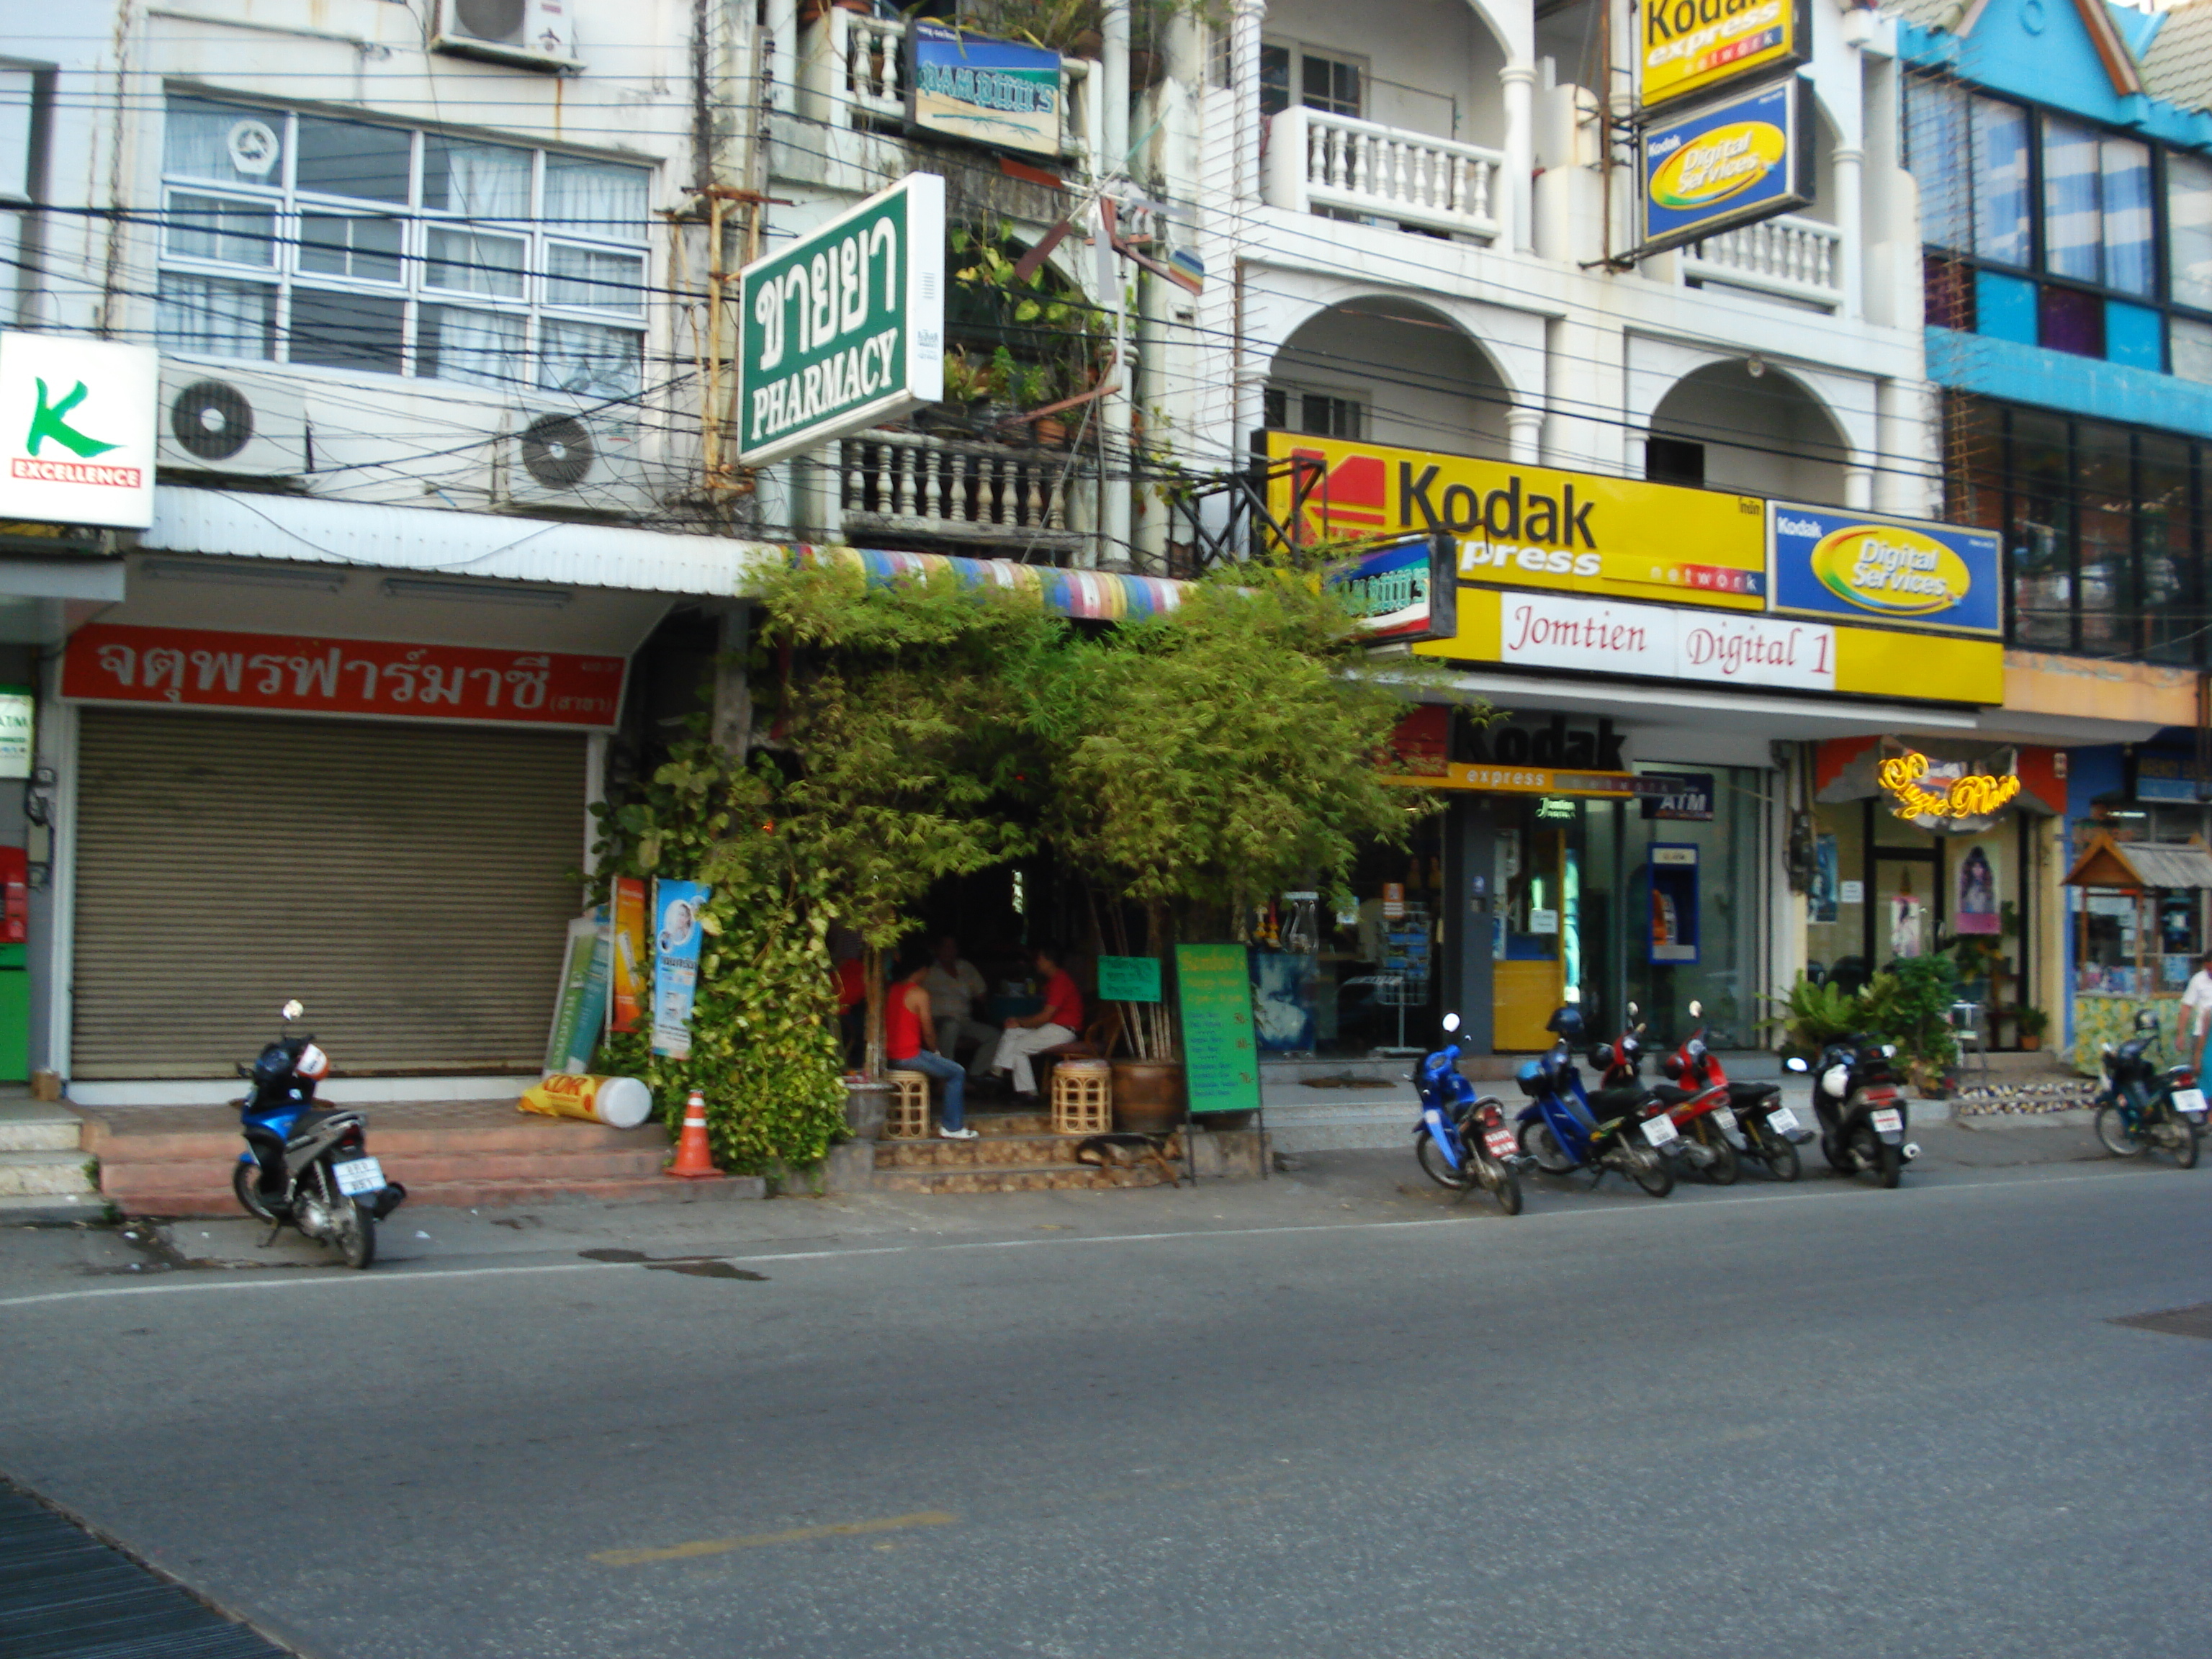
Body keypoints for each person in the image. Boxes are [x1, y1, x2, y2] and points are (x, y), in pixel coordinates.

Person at [976, 943, 1084, 1103]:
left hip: (1063, 1031)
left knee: (1020, 1047)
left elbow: (1045, 1017)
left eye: (1039, 958)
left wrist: (1020, 1021)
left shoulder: (1060, 980)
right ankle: (997, 1073)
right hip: (1053, 1028)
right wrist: (1019, 1024)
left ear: (1050, 960)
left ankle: (1028, 1092)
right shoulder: (1053, 981)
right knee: (1013, 1032)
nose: (1037, 962)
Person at [888, 948, 976, 1139]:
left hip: (890, 1055)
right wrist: (936, 1053)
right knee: (957, 1072)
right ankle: (952, 1127)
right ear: (921, 970)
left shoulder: (892, 989)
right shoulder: (919, 994)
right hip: (908, 1056)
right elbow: (928, 1031)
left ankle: (950, 1124)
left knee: (948, 1070)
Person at [924, 934, 997, 1064]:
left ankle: (975, 1078)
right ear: (937, 949)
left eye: (952, 947)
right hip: (939, 1021)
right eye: (945, 947)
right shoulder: (929, 970)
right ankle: (947, 1073)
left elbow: (982, 995)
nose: (948, 950)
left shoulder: (965, 967)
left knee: (993, 1035)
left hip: (964, 1021)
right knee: (951, 1025)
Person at [2182, 949, 2212, 1070]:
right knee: (2199, 1069)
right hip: (2201, 1035)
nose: (2210, 973)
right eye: (2208, 969)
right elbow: (2186, 1006)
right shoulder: (2198, 980)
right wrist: (2180, 1034)